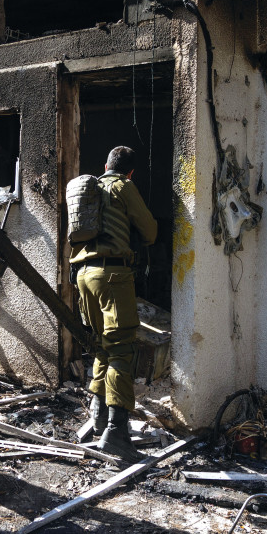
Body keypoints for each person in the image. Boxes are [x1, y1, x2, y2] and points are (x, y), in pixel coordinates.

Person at [70, 145, 157, 462]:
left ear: (104, 164)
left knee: (102, 347)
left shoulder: (92, 187)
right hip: (111, 276)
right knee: (122, 350)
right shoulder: (124, 185)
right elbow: (149, 231)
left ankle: (99, 419)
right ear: (130, 171)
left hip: (83, 276)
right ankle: (117, 434)